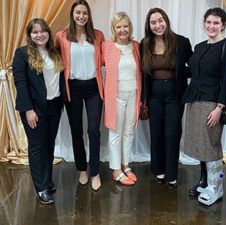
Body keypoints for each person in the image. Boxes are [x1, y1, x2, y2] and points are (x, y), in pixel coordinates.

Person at [182, 8, 226, 205]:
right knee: (200, 145)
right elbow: (194, 72)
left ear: (223, 25)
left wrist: (220, 107)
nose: (211, 26)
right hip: (195, 100)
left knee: (212, 145)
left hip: (213, 103)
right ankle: (204, 180)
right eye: (208, 22)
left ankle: (217, 186)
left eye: (216, 23)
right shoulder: (199, 46)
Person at [12, 18, 65, 204]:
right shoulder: (22, 54)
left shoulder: (55, 52)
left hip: (54, 106)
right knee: (37, 146)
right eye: (35, 32)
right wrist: (28, 109)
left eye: (42, 31)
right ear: (30, 35)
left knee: (49, 145)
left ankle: (47, 180)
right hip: (34, 109)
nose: (39, 35)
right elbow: (21, 83)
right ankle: (41, 188)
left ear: (48, 33)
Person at [140, 8, 193, 189]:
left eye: (160, 21)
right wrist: (142, 98)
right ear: (149, 25)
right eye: (153, 23)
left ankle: (172, 173)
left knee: (172, 133)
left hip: (174, 95)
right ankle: (159, 170)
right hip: (153, 95)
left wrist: (181, 74)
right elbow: (142, 73)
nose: (157, 25)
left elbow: (192, 66)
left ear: (166, 21)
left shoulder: (181, 42)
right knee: (156, 133)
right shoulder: (145, 43)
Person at [55, 0, 105, 191]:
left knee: (93, 130)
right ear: (72, 14)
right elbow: (55, 60)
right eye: (78, 12)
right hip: (72, 88)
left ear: (88, 15)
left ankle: (95, 172)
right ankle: (82, 169)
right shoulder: (62, 36)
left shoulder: (98, 35)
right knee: (77, 130)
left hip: (94, 88)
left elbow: (106, 58)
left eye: (84, 13)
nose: (81, 16)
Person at [102, 12, 141, 185]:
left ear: (130, 27)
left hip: (133, 94)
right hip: (115, 96)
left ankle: (126, 165)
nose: (122, 29)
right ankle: (116, 168)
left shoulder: (136, 46)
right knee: (116, 132)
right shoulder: (107, 46)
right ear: (114, 29)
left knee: (129, 131)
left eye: (125, 26)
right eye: (119, 26)